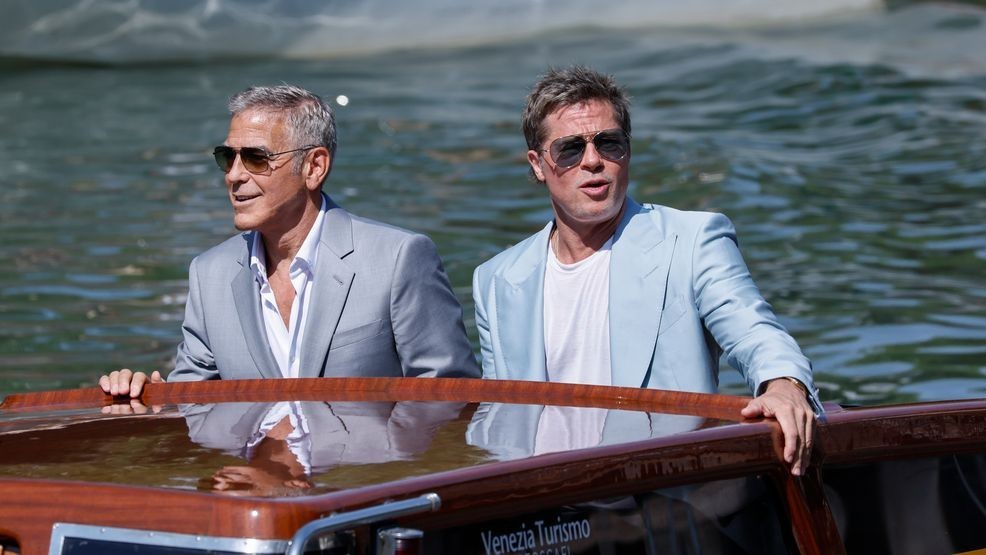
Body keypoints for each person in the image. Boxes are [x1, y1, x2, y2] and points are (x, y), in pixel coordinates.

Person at [472, 66, 821, 476]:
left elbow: (755, 333)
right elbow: (497, 415)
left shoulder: (691, 241)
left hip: (657, 493)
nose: (593, 161)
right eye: (569, 149)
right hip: (546, 500)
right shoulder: (497, 281)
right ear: (537, 164)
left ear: (628, 151)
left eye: (609, 144)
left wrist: (784, 385)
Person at [101, 84, 479, 398]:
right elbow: (195, 402)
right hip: (252, 486)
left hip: (364, 483)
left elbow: (449, 398)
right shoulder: (209, 273)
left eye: (255, 158)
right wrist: (147, 397)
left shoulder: (399, 258)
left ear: (314, 167)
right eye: (226, 157)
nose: (234, 175)